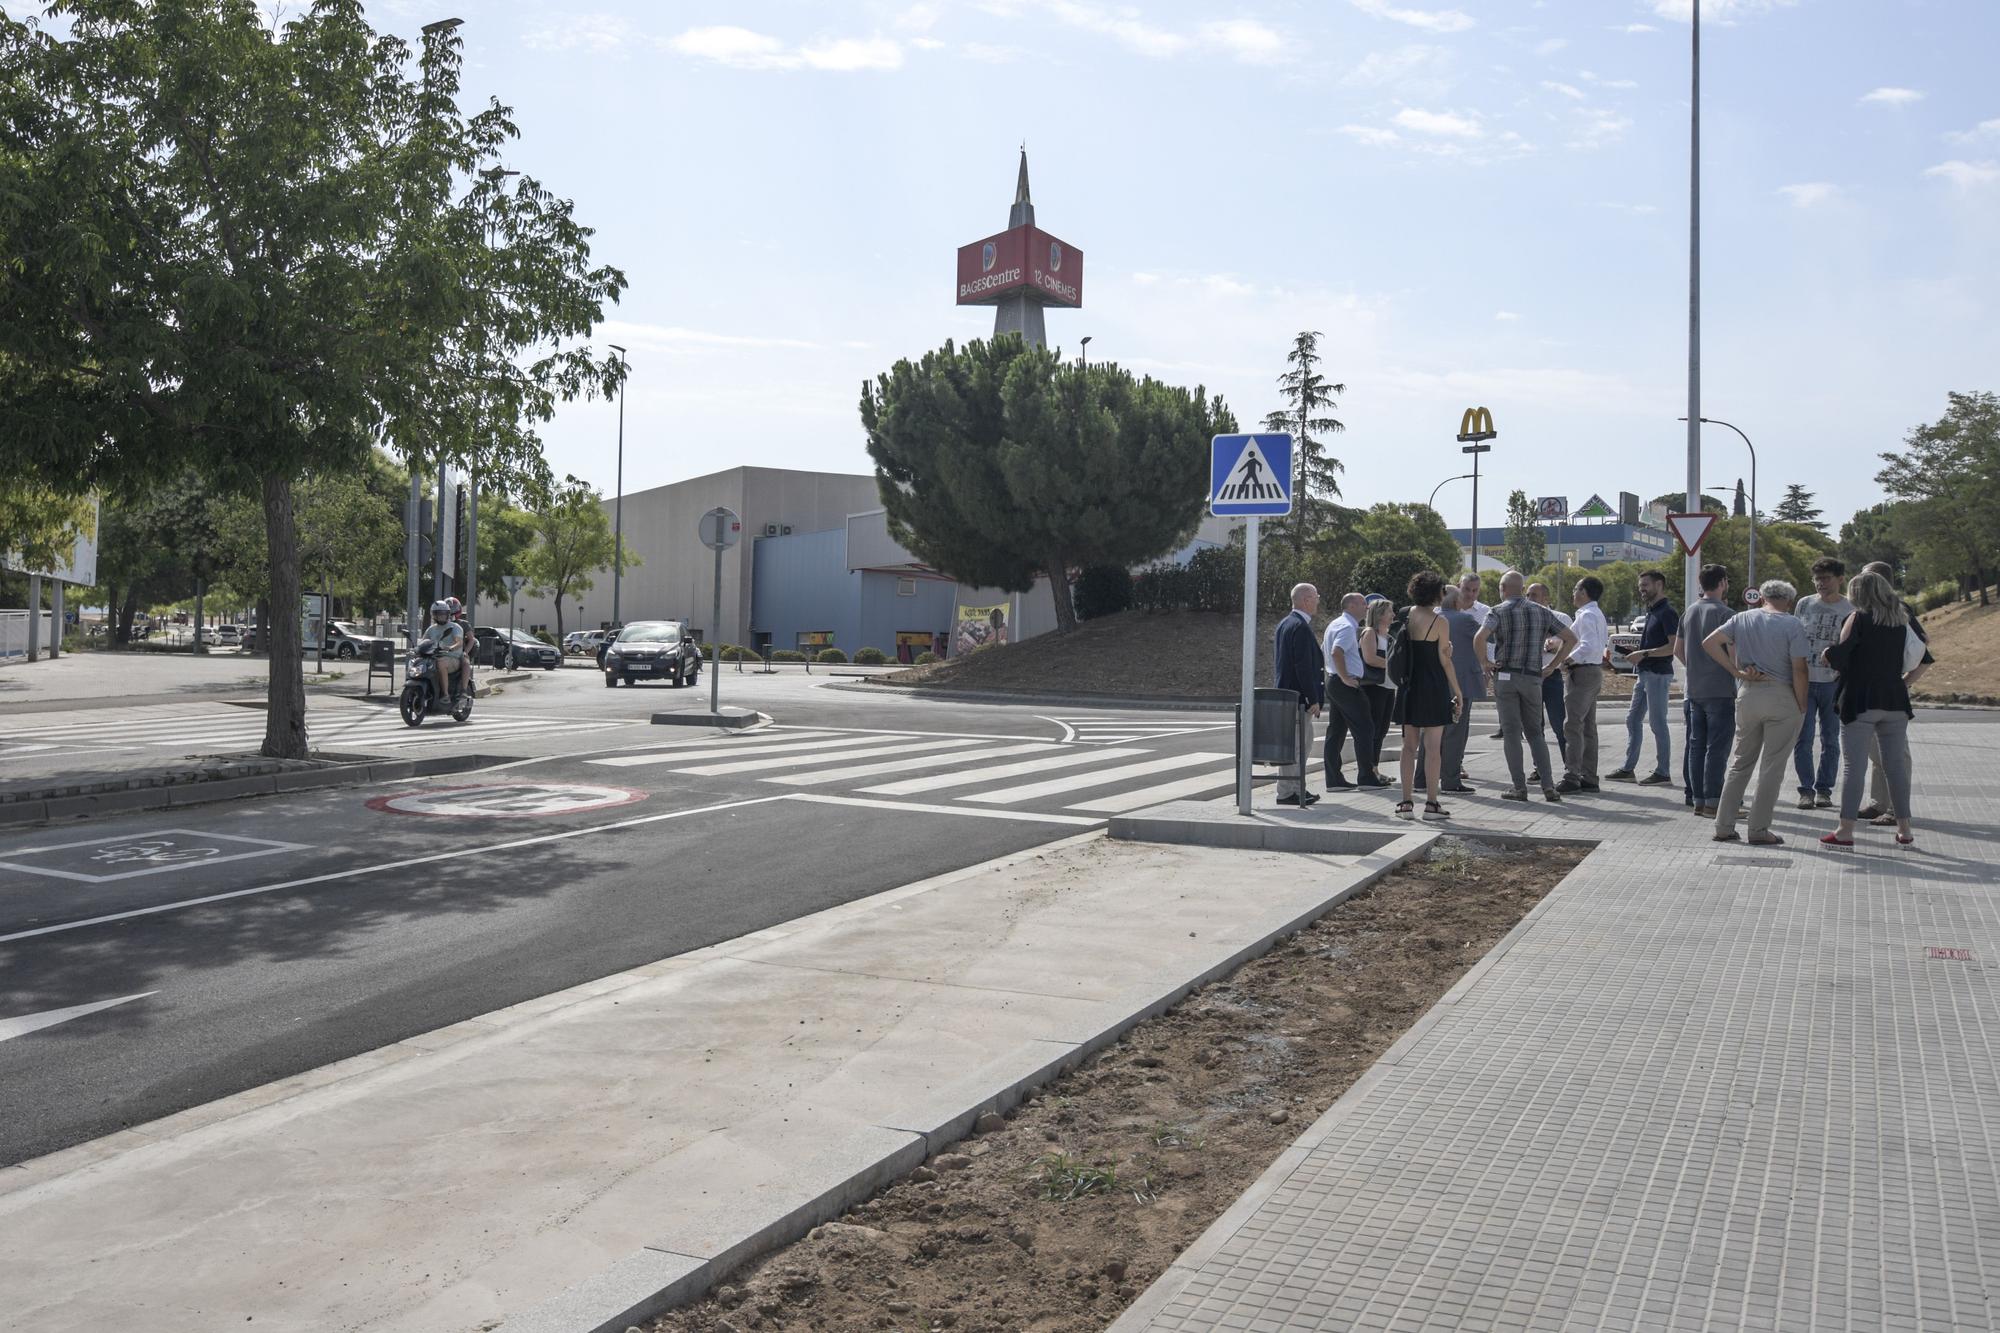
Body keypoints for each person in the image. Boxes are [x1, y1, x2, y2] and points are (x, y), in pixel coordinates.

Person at [1703, 579, 1810, 845]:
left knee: (1740, 762)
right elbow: (1799, 669)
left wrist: (1735, 672)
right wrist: (1802, 704)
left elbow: (1709, 642)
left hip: (1748, 692)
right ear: (1789, 601)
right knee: (1772, 768)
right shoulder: (1793, 624)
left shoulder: (1741, 618)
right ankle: (1759, 829)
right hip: (1782, 694)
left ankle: (1723, 825)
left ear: (1762, 597)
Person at [1821, 570, 1918, 847]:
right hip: (1895, 700)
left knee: (1854, 767)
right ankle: (1905, 830)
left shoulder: (1858, 618)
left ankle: (1845, 830)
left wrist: (1827, 653)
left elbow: (1840, 656)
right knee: (1895, 767)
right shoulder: (1900, 620)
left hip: (1860, 700)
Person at [1473, 570, 1578, 802]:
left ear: (1502, 589)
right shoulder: (1542, 612)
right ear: (1522, 589)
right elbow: (1571, 638)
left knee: (1511, 733)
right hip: (1533, 677)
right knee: (1535, 733)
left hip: (1506, 676)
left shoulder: (1497, 611)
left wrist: (1485, 663)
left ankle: (1519, 788)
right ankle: (1549, 786)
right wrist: (1553, 666)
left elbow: (1479, 638)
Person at [1855, 560, 1934, 824]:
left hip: (1889, 692)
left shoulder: (1899, 610)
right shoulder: (1866, 612)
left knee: (1896, 754)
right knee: (1876, 753)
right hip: (1870, 692)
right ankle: (1879, 803)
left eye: (1866, 579)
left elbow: (1924, 653)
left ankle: (1895, 811)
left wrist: (1904, 683)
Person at [1393, 571, 1464, 821]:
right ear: (1436, 594)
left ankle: (1405, 803)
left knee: (1408, 746)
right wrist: (1457, 691)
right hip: (1433, 686)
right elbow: (1445, 660)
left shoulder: (1404, 614)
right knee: (1433, 748)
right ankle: (1432, 804)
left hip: (1408, 685)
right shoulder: (1440, 622)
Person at [1606, 569, 1678, 785]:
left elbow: (1672, 647)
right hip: (1644, 673)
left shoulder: (1667, 612)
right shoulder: (1651, 611)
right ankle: (1628, 769)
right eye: (1640, 586)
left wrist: (1644, 653)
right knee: (1632, 719)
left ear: (1659, 585)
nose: (1642, 590)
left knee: (1658, 724)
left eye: (1645, 585)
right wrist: (1636, 655)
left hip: (1657, 674)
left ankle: (1663, 772)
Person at [1791, 557, 1852, 810]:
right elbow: (1793, 638)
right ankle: (1806, 789)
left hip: (1832, 684)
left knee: (1830, 738)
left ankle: (1824, 790)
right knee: (1802, 739)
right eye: (1817, 579)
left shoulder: (1850, 609)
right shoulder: (1804, 604)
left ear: (1840, 579)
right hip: (1804, 680)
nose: (1820, 583)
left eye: (1826, 578)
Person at [1677, 564, 1737, 818]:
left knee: (1696, 746)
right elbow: (1735, 655)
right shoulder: (1726, 614)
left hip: (1694, 689)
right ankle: (1714, 802)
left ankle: (1699, 801)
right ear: (1723, 582)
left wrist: (1696, 668)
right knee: (1717, 748)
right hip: (1720, 689)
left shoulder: (1689, 612)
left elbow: (1678, 650)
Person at [1418, 587, 1483, 793]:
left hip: (1431, 683)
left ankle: (1420, 780)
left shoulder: (1427, 618)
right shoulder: (1465, 620)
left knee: (1428, 732)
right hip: (1459, 683)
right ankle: (1450, 780)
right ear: (1456, 602)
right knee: (1455, 732)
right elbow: (1488, 637)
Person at [1322, 592, 1389, 789]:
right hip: (1344, 683)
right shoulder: (1346, 626)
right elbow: (1336, 651)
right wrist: (1344, 676)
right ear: (1351, 605)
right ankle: (1366, 777)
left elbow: (1326, 650)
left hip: (1335, 681)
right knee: (1366, 728)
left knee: (1336, 730)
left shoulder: (1335, 624)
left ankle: (1334, 779)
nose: (1366, 607)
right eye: (1362, 603)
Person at [1272, 583, 1324, 807]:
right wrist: (1312, 698)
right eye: (1316, 597)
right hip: (1298, 698)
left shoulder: (1286, 623)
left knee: (1297, 745)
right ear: (1306, 599)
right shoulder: (1300, 627)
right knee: (1298, 746)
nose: (1318, 601)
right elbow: (1303, 667)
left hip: (1288, 696)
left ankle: (1294, 788)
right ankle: (1288, 791)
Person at [1557, 576, 1610, 794]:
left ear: (1584, 592)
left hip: (1582, 672)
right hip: (1593, 671)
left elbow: (1588, 645)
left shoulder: (1587, 615)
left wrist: (1568, 660)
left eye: (1576, 589)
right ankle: (1589, 775)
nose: (1573, 593)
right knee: (1587, 727)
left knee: (1573, 725)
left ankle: (1572, 776)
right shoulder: (1595, 614)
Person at [1525, 582, 1573, 778]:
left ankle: (1569, 767)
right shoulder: (1525, 617)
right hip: (1530, 675)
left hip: (1551, 676)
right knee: (1534, 725)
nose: (1529, 599)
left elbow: (1571, 640)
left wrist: (1557, 644)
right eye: (1527, 595)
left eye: (1534, 595)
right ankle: (1540, 768)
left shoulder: (1560, 618)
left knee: (1559, 723)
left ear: (1546, 598)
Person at [1458, 573, 1503, 744]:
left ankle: (1457, 760)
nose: (1470, 594)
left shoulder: (1485, 611)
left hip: (1472, 670)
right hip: (1448, 668)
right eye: (1466, 589)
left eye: (1474, 590)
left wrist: (1486, 667)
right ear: (1458, 586)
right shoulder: (1446, 608)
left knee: (1464, 717)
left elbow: (1490, 643)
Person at [1358, 598, 1397, 780]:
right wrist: (1393, 665)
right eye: (1390, 611)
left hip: (1388, 687)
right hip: (1374, 687)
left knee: (1382, 729)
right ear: (1380, 614)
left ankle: (1375, 768)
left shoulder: (1388, 637)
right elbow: (1370, 658)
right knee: (1373, 729)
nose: (1393, 615)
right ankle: (1369, 770)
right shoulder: (1369, 633)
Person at [423, 599, 465, 700]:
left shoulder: (454, 627)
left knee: (440, 663)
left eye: (443, 614)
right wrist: (416, 648)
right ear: (433, 615)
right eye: (438, 614)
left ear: (448, 614)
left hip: (452, 658)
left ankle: (446, 694)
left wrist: (451, 648)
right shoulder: (431, 629)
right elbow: (424, 641)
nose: (441, 616)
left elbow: (459, 642)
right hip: (434, 657)